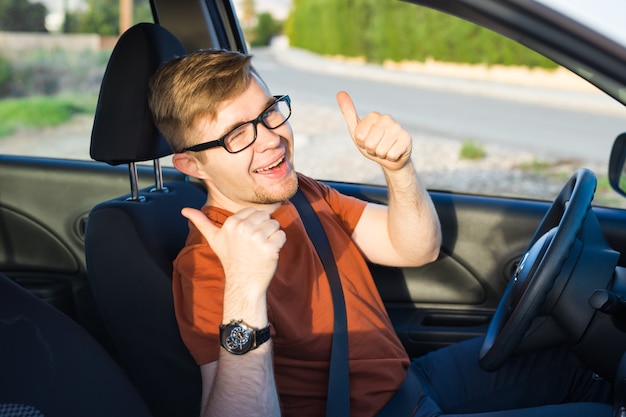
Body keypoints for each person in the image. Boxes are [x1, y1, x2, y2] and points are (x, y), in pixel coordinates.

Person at [147, 49, 612, 417]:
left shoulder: (300, 194)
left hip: (408, 383)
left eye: (269, 112)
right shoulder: (209, 266)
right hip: (363, 411)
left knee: (587, 364)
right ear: (191, 164)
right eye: (236, 135)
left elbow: (415, 247)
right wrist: (246, 291)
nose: (270, 138)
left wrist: (398, 168)